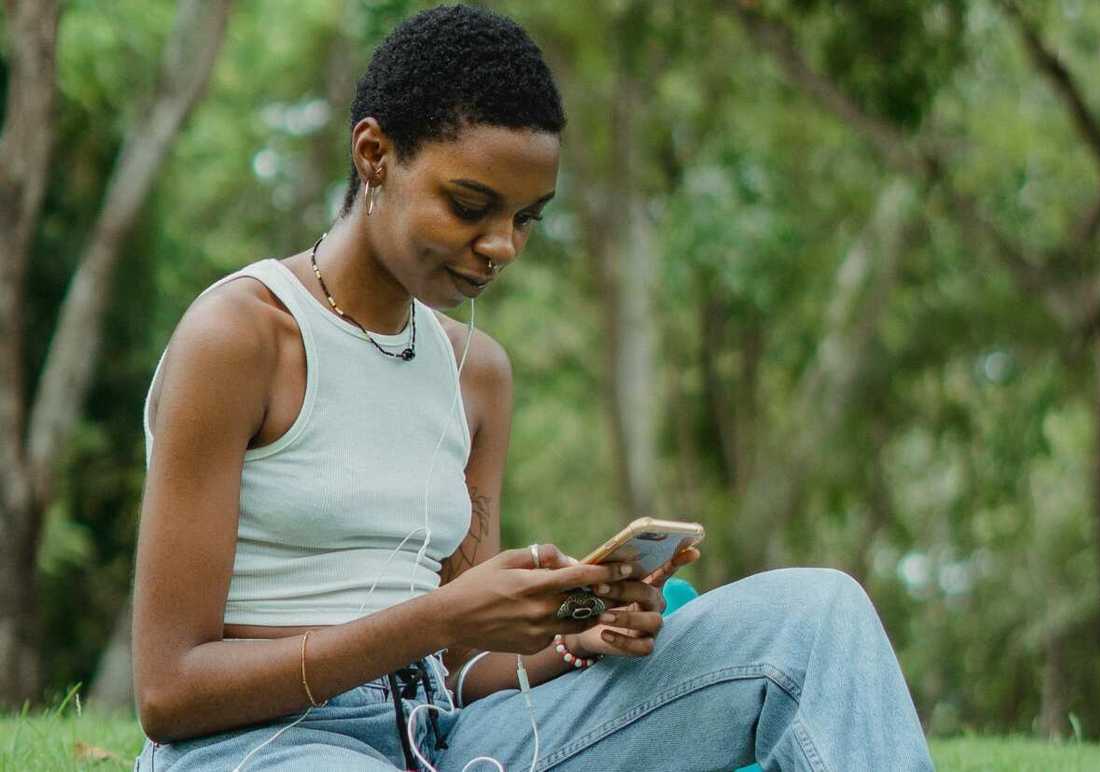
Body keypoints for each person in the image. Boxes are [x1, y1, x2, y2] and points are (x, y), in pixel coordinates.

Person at [130, 5, 934, 771]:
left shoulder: (476, 372)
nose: (502, 246)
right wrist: (441, 617)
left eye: (528, 218)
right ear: (374, 154)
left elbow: (456, 661)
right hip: (266, 744)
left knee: (815, 618)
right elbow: (169, 692)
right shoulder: (244, 336)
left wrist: (566, 637)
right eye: (471, 205)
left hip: (443, 734)